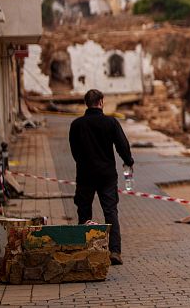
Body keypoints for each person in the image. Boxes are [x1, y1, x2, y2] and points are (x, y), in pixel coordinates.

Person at [68, 89, 134, 266]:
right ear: (101, 102)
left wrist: (83, 163)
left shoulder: (77, 125)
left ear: (86, 103)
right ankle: (115, 251)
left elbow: (74, 150)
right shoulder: (110, 122)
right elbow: (122, 145)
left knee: (84, 212)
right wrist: (128, 161)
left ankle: (85, 249)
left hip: (85, 175)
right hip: (107, 175)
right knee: (110, 211)